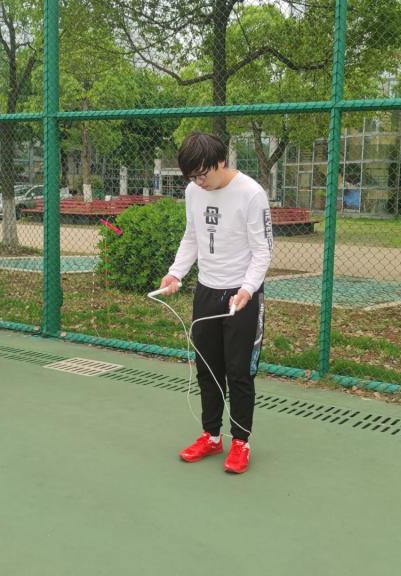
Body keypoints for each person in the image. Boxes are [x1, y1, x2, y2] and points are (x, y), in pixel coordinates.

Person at [158, 132, 273, 474]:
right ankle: (211, 436)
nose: (198, 182)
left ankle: (240, 442)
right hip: (206, 292)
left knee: (239, 373)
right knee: (207, 370)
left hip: (242, 297)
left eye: (202, 174)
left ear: (221, 161)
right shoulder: (193, 191)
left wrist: (248, 289)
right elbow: (192, 236)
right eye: (192, 176)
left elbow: (263, 251)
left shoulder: (251, 193)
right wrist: (175, 273)